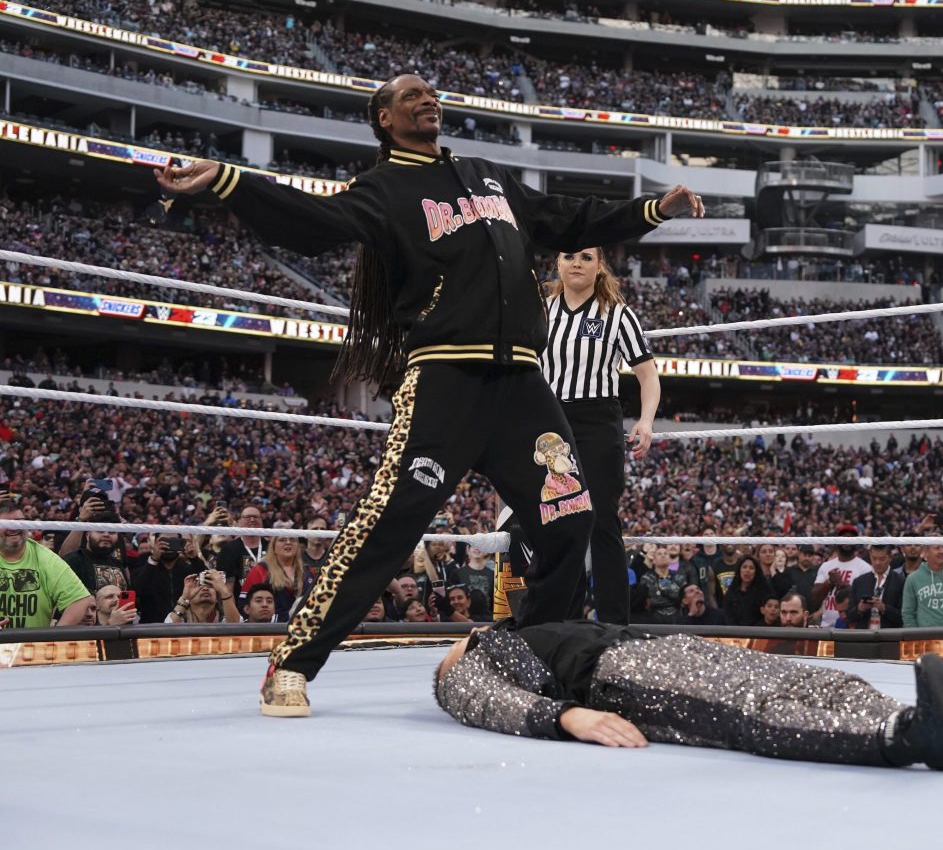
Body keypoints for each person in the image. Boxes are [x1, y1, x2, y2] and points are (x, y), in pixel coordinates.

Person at [155, 72, 703, 717]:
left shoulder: (488, 176)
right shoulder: (386, 188)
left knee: (570, 518)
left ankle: (526, 656)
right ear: (384, 119)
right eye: (410, 95)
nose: (427, 99)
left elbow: (567, 218)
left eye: (431, 92)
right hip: (446, 379)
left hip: (525, 384)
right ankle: (292, 663)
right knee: (390, 526)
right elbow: (315, 220)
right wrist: (231, 182)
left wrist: (651, 211)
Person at [434, 622, 943, 771]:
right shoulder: (468, 663)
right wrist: (569, 716)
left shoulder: (520, 627)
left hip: (671, 647)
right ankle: (910, 739)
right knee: (753, 716)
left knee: (824, 682)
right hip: (622, 676)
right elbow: (476, 699)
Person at [542, 247, 661, 625]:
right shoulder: (540, 309)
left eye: (586, 257)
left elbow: (648, 374)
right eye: (569, 256)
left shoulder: (618, 314)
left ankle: (613, 624)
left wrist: (645, 421)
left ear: (599, 267)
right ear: (558, 264)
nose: (577, 263)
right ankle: (564, 620)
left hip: (597, 418)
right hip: (550, 421)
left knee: (603, 522)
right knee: (560, 521)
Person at [848, 544, 904, 629]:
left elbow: (904, 616)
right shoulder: (859, 581)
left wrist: (884, 608)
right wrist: (859, 609)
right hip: (864, 636)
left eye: (882, 559)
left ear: (890, 558)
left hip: (890, 636)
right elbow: (849, 616)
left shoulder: (900, 581)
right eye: (874, 558)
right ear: (870, 556)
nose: (877, 563)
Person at [723, 555, 773, 626]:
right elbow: (727, 615)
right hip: (734, 632)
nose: (747, 570)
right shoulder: (731, 592)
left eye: (751, 568)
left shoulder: (764, 591)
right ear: (739, 570)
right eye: (744, 567)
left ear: (756, 572)